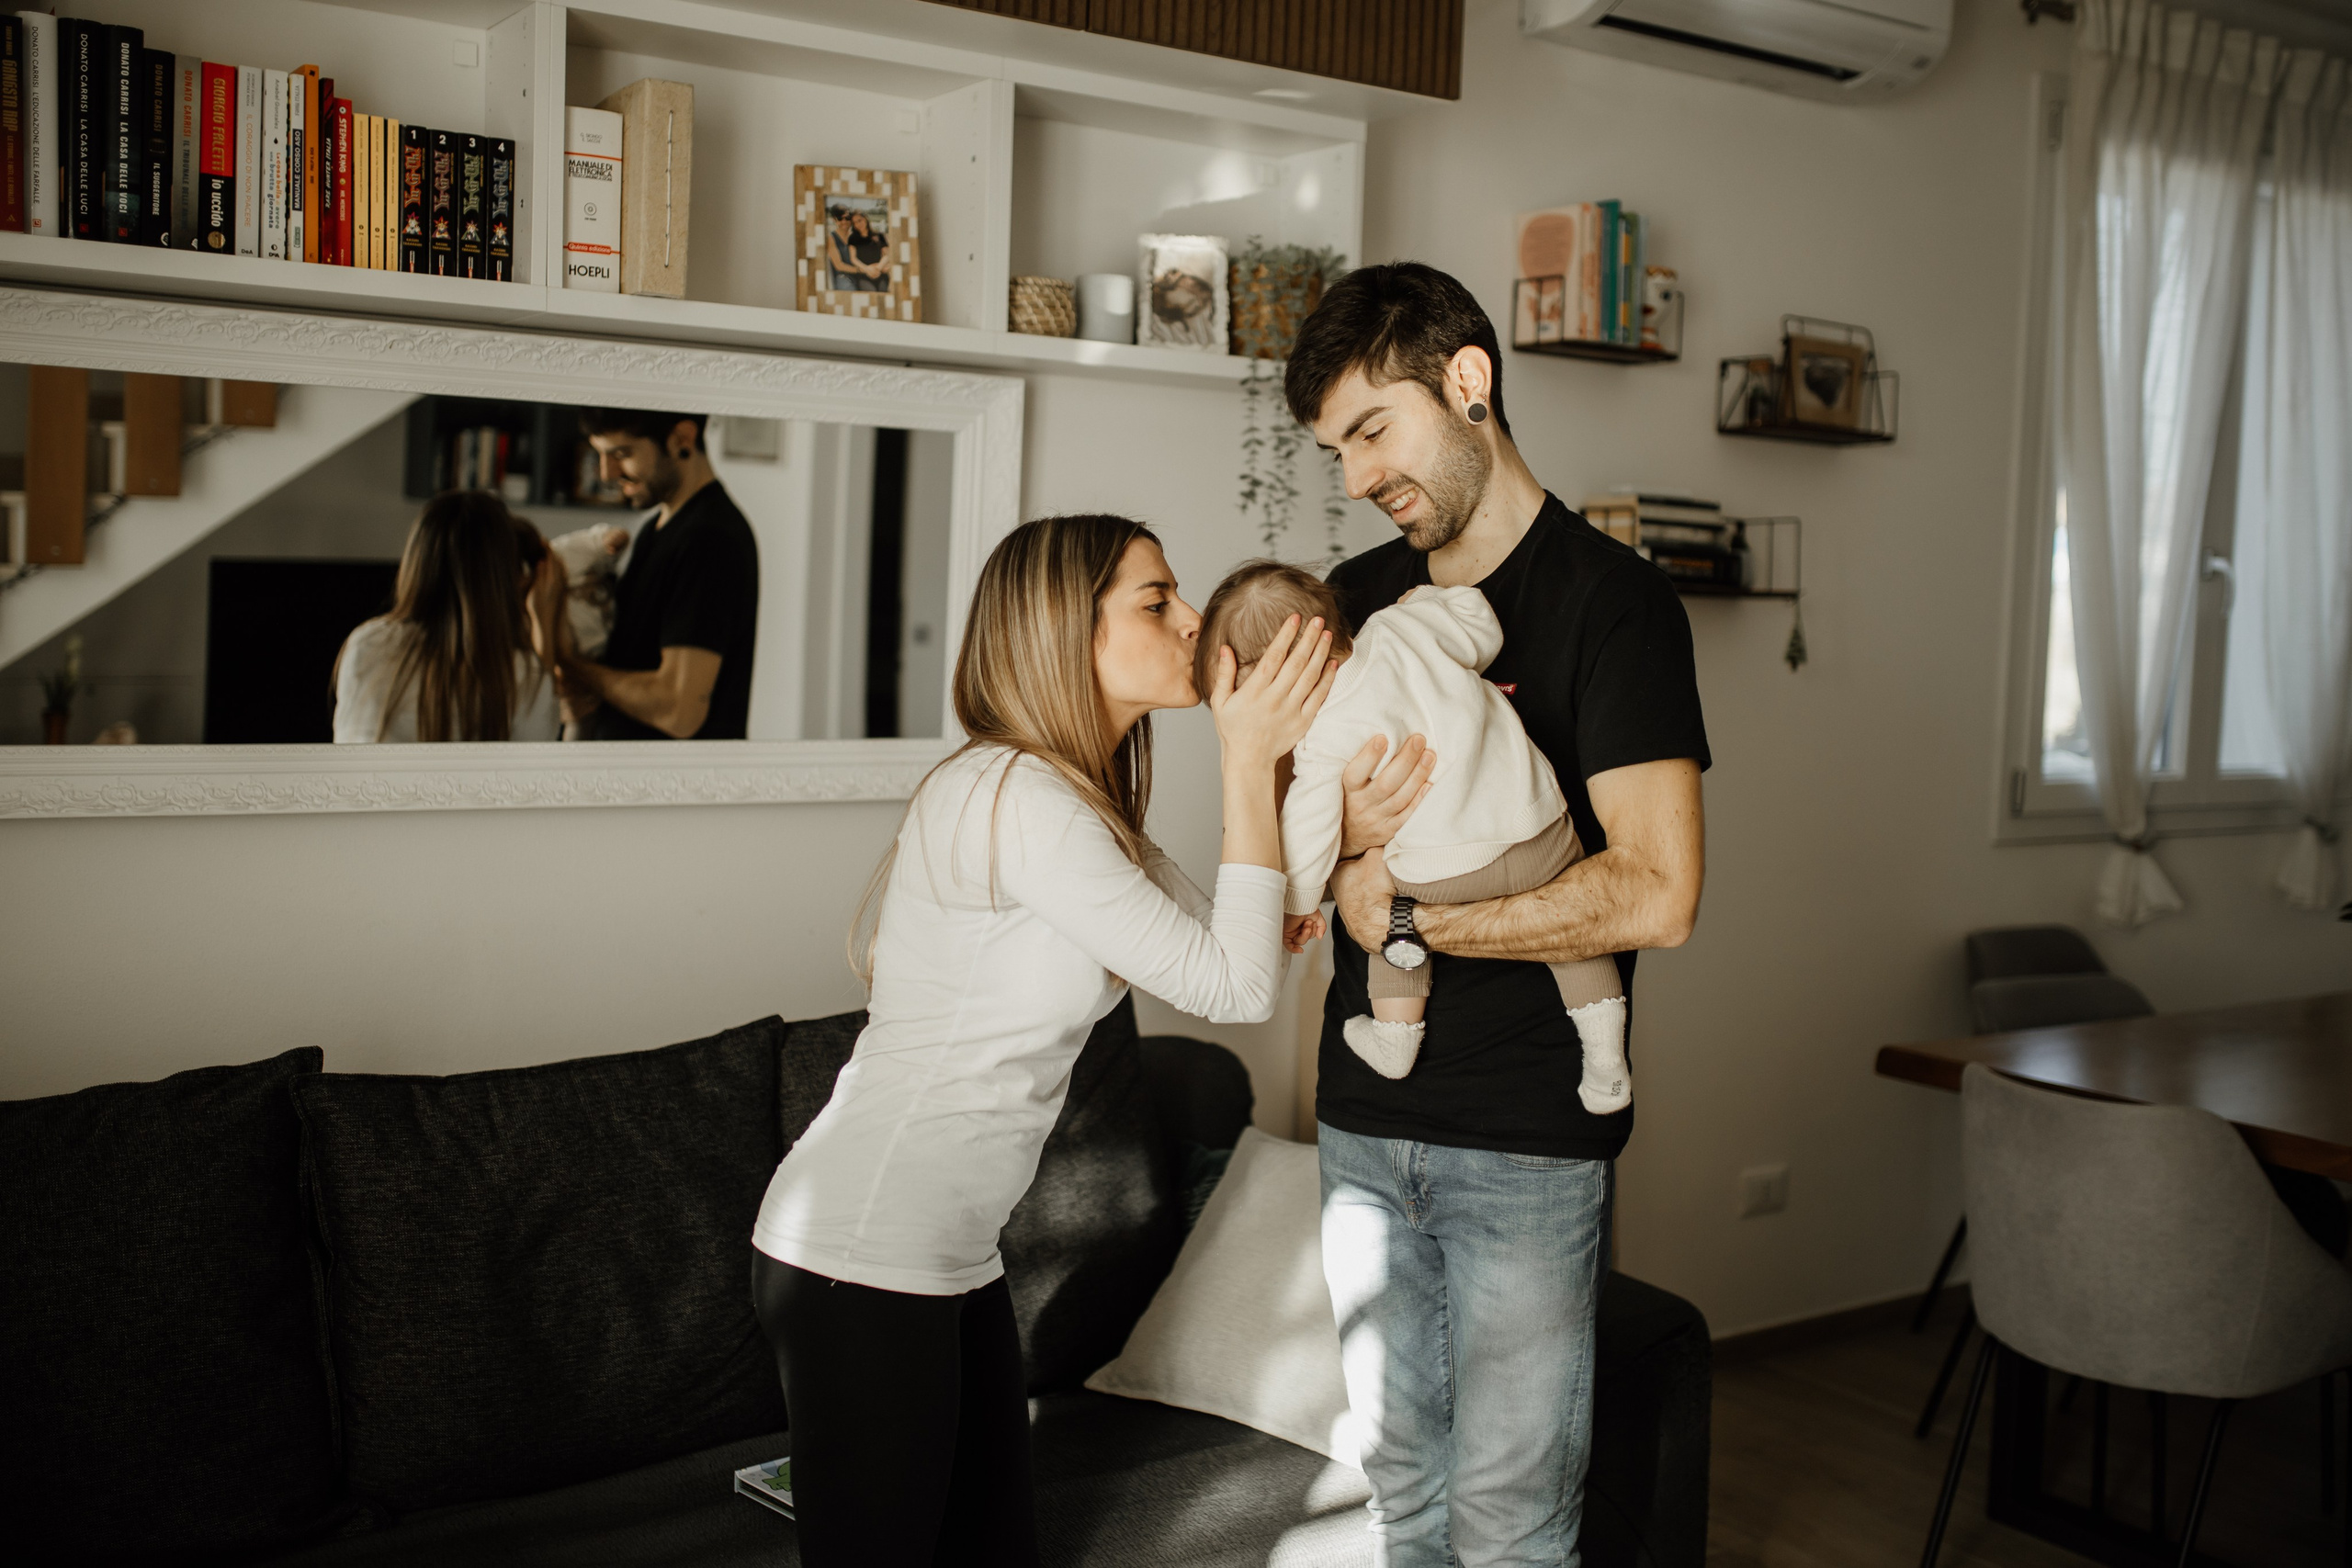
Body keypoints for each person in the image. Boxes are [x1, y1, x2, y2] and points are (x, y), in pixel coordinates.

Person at [748, 513, 1337, 1568]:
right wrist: (1246, 759)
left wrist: (1301, 789)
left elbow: (1242, 951)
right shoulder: (1014, 798)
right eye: (1156, 601)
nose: (1194, 619)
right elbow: (1239, 985)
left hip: (952, 1258)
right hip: (860, 1257)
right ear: (1066, 630)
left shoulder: (1076, 808)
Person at [1286, 262, 1710, 1567]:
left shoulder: (1614, 604)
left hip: (1528, 1145)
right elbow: (1304, 838)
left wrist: (1412, 918)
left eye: (1373, 430)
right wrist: (1338, 870)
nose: (1357, 476)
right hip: (1362, 1124)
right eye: (1336, 449)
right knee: (1394, 1501)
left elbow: (1657, 891)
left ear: (1467, 381)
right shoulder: (1354, 598)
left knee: (1512, 1524)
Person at [1193, 561, 1629, 1109]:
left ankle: (1395, 1039)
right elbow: (1481, 630)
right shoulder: (1399, 628)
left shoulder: (1322, 736)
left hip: (1442, 873)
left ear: (1287, 675)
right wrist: (1426, 600)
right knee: (1575, 940)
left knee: (1386, 912)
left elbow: (1307, 830)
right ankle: (1607, 1062)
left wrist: (1296, 906)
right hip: (1540, 830)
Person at [540, 409, 759, 739]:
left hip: (675, 772)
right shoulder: (654, 530)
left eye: (621, 454)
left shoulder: (709, 539)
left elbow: (678, 711)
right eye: (600, 455)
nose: (606, 473)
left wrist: (573, 664)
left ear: (682, 439)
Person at [333, 490, 561, 743]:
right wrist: (544, 624)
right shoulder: (521, 675)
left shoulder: (367, 644)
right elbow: (538, 758)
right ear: (502, 579)